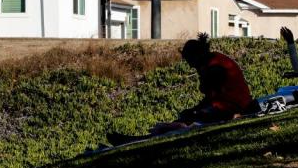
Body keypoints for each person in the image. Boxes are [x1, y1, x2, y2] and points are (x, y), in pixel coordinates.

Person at [106, 34, 252, 145]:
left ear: (196, 56)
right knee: (187, 117)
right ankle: (143, 138)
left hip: (233, 108)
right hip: (225, 106)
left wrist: (195, 111)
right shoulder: (211, 63)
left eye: (189, 61)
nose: (189, 65)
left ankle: (141, 140)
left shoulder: (215, 67)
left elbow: (214, 97)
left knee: (187, 121)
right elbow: (212, 97)